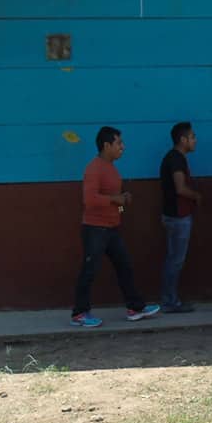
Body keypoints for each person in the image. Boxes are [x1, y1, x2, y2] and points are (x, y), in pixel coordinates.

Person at [71, 126, 161, 328]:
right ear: (106, 145)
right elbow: (89, 200)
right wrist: (116, 200)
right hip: (95, 229)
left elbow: (116, 203)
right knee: (90, 271)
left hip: (111, 229)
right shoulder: (94, 168)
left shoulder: (112, 168)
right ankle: (79, 313)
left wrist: (121, 206)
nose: (123, 147)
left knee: (125, 267)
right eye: (119, 143)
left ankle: (135, 308)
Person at [159, 121, 201, 313]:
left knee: (174, 258)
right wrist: (197, 196)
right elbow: (180, 188)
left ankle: (171, 299)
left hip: (176, 216)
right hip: (178, 216)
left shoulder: (176, 158)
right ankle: (170, 301)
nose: (195, 140)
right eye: (192, 137)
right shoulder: (176, 159)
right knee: (175, 259)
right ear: (183, 140)